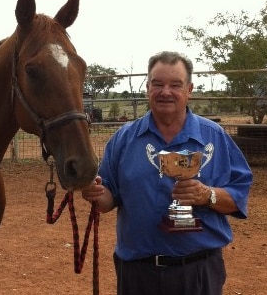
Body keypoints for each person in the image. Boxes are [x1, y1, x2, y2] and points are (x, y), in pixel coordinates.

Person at [82, 51, 252, 295]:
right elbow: (107, 201)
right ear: (147, 87)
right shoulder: (124, 139)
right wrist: (95, 191)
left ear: (189, 90)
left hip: (197, 272)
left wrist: (208, 196)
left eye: (175, 85)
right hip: (137, 273)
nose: (165, 92)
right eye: (157, 84)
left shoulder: (214, 137)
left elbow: (239, 194)